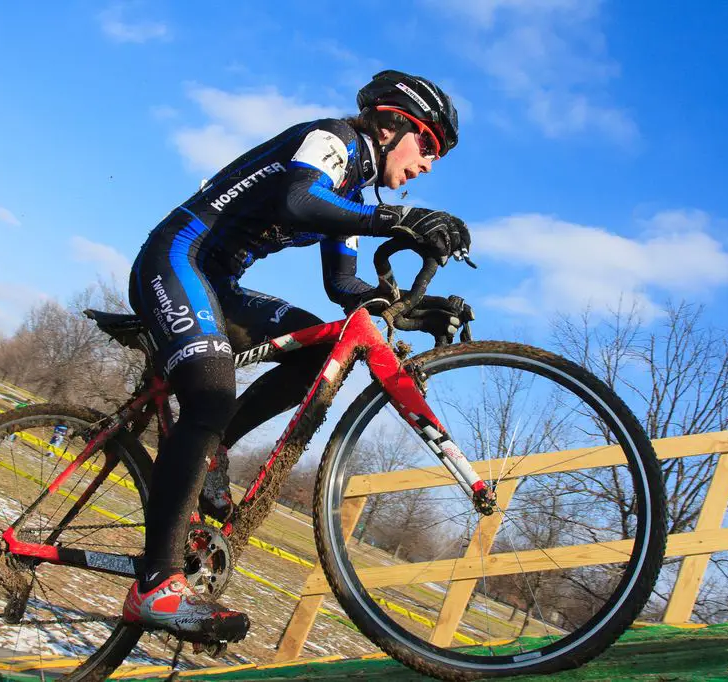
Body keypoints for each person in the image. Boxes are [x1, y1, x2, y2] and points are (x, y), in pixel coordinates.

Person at [122, 70, 471, 645]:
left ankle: (212, 452)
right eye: (427, 145)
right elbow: (297, 198)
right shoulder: (332, 139)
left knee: (324, 345)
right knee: (210, 395)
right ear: (392, 124)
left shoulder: (355, 193)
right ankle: (154, 588)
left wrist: (415, 307)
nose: (428, 164)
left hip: (219, 283)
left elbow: (345, 286)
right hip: (177, 257)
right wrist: (399, 219)